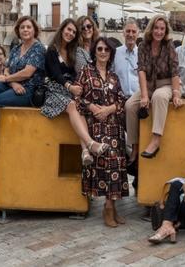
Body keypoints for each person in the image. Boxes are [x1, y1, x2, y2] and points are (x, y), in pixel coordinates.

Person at [0, 16, 47, 164]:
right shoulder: (17, 48)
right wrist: (13, 83)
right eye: (22, 27)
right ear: (18, 30)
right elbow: (6, 70)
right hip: (15, 87)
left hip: (29, 91)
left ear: (34, 30)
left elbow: (27, 72)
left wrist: (9, 79)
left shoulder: (38, 48)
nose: (25, 30)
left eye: (28, 27)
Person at [37, 19, 110, 165]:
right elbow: (56, 74)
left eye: (73, 32)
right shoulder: (52, 50)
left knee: (79, 106)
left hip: (69, 90)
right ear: (62, 29)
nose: (70, 33)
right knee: (72, 105)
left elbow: (75, 73)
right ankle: (90, 143)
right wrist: (70, 87)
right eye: (68, 29)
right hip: (53, 90)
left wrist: (77, 88)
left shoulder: (72, 52)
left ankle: (85, 151)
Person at [78, 38, 128, 227]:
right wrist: (92, 107)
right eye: (99, 49)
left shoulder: (114, 76)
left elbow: (122, 100)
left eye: (106, 49)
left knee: (117, 164)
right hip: (95, 127)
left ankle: (111, 205)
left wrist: (109, 109)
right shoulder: (86, 72)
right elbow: (78, 97)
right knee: (107, 162)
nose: (103, 52)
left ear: (110, 53)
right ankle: (107, 208)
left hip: (114, 125)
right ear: (94, 52)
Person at [125, 15, 183, 161]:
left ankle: (156, 139)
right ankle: (135, 146)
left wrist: (176, 94)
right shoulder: (143, 45)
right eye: (156, 28)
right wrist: (144, 95)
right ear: (151, 28)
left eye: (162, 28)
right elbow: (141, 70)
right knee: (130, 105)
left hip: (166, 83)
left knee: (159, 96)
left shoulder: (169, 45)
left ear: (166, 30)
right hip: (149, 85)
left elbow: (175, 70)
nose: (159, 31)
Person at [113, 18, 141, 99]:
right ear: (123, 33)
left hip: (137, 100)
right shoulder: (115, 53)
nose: (131, 34)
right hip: (119, 99)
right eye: (128, 31)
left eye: (134, 31)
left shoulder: (142, 54)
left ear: (138, 34)